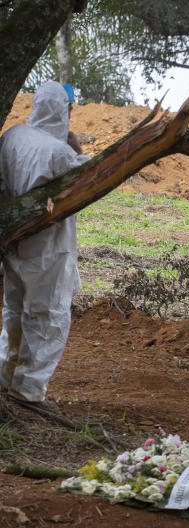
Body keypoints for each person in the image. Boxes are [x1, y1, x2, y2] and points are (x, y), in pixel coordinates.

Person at [0, 81, 90, 404]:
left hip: (13, 244)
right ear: (63, 110)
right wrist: (78, 150)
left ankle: (5, 376)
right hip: (48, 250)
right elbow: (91, 175)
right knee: (47, 315)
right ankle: (28, 389)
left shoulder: (12, 136)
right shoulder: (58, 152)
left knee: (14, 310)